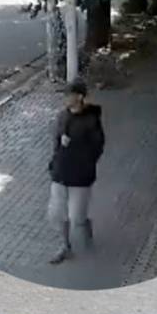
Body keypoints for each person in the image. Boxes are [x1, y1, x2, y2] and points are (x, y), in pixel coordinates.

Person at [47, 80, 105, 265]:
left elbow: (97, 148)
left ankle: (86, 229)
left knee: (76, 217)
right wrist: (54, 162)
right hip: (60, 174)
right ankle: (66, 247)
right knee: (57, 214)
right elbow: (56, 142)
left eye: (69, 94)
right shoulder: (62, 116)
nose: (65, 98)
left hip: (80, 178)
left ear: (79, 97)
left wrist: (74, 147)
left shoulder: (91, 121)